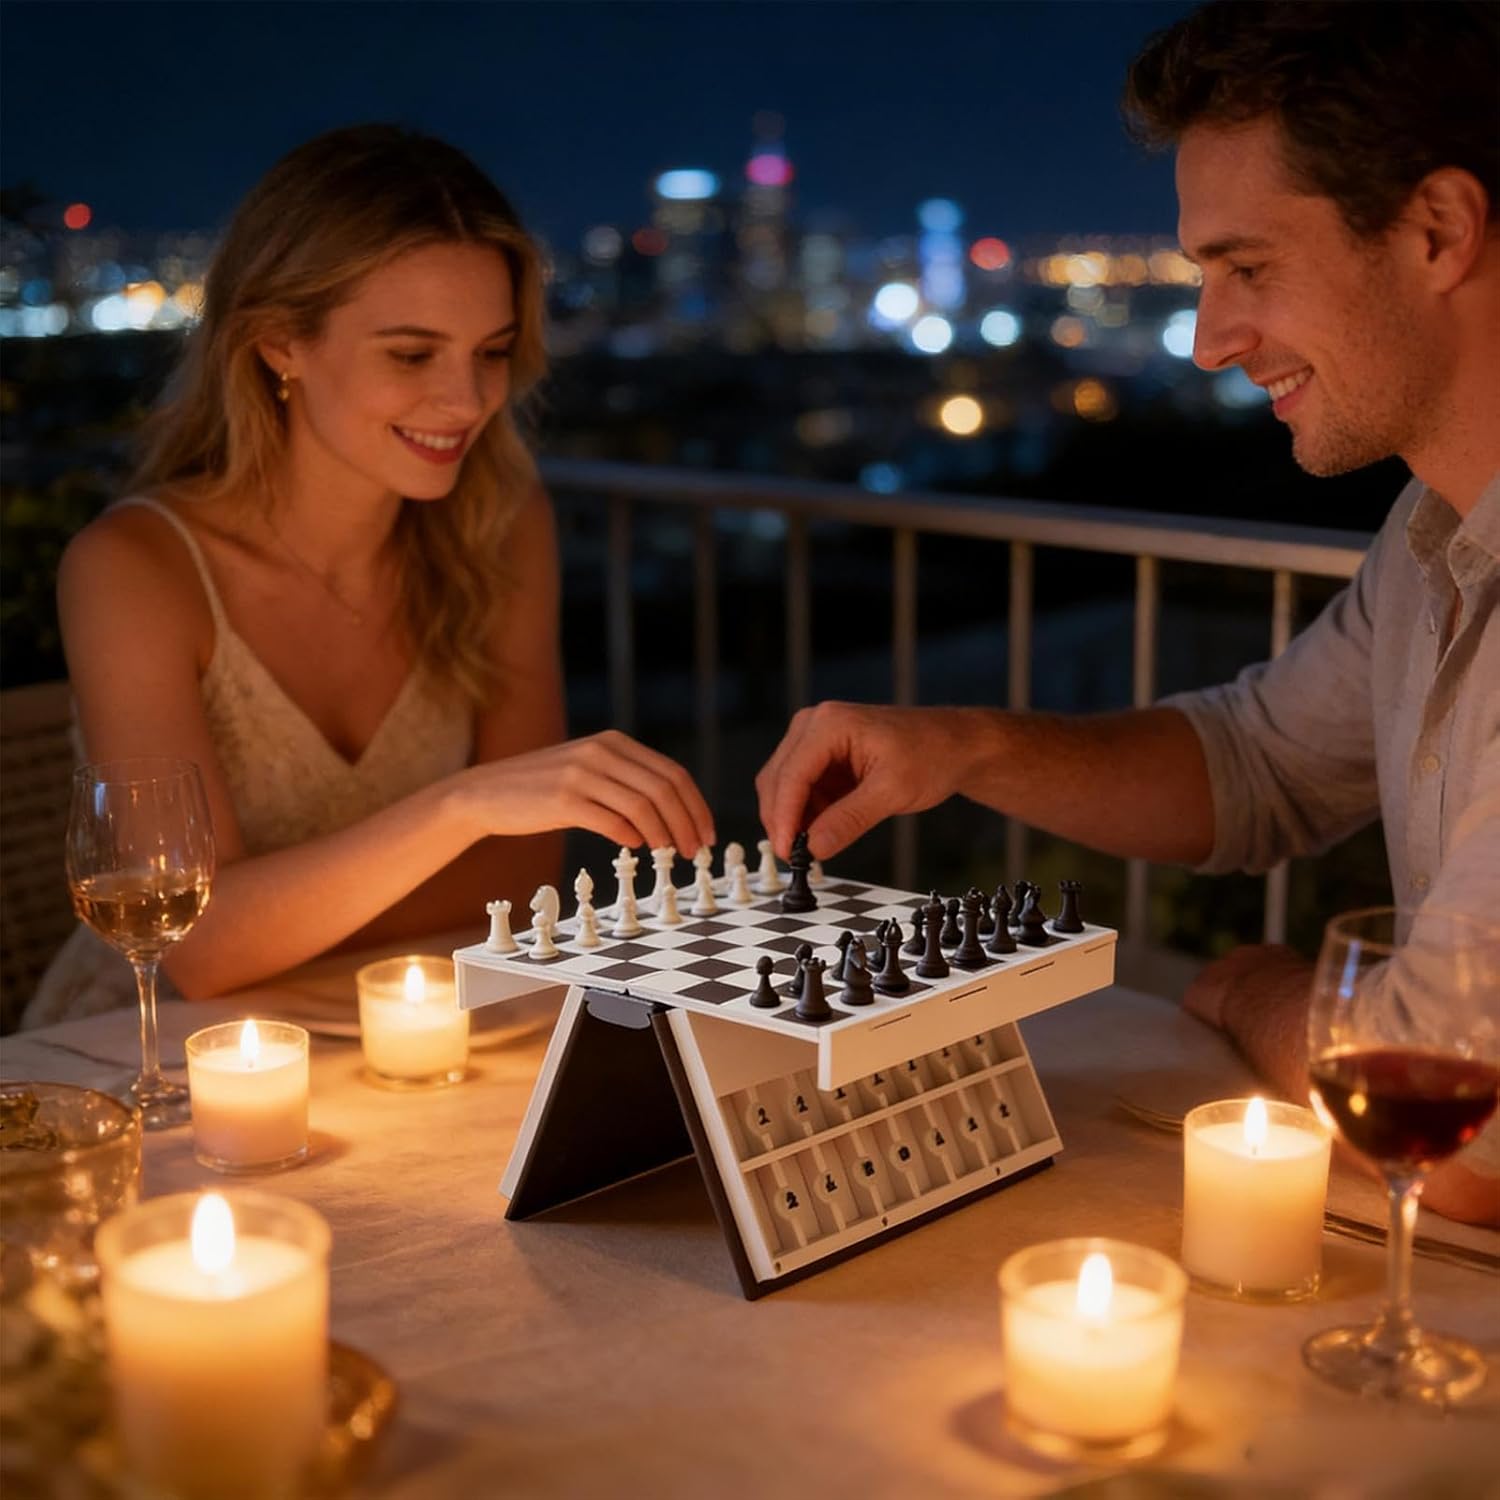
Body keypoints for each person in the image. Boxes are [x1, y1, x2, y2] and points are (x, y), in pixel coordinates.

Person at [756, 2, 1499, 1225]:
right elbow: (1253, 763)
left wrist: (1254, 985)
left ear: (1436, 230)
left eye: (1248, 268)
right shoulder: (1432, 533)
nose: (1211, 341)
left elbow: (1467, 1136)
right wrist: (965, 746)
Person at [30, 125, 714, 1026]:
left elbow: (518, 876)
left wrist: (270, 914)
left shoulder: (501, 527)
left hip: (416, 1020)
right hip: (162, 1051)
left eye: (493, 351)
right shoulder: (135, 571)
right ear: (279, 343)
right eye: (412, 354)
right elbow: (197, 947)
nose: (467, 401)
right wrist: (462, 808)